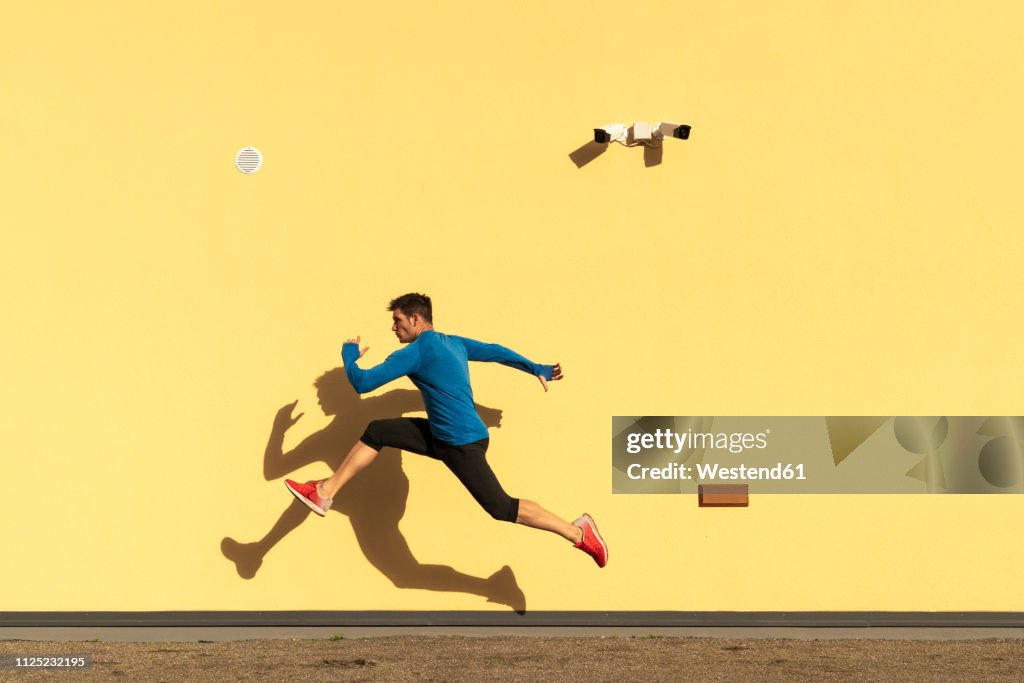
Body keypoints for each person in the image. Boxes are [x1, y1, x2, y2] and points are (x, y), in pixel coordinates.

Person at [285, 292, 608, 567]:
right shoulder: (453, 343)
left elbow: (362, 383)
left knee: (500, 507)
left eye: (397, 321)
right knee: (378, 430)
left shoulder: (416, 352)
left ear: (415, 319)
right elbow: (496, 351)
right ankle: (325, 492)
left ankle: (579, 533)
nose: (393, 327)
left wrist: (349, 355)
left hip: (460, 443)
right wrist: (535, 368)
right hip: (445, 435)